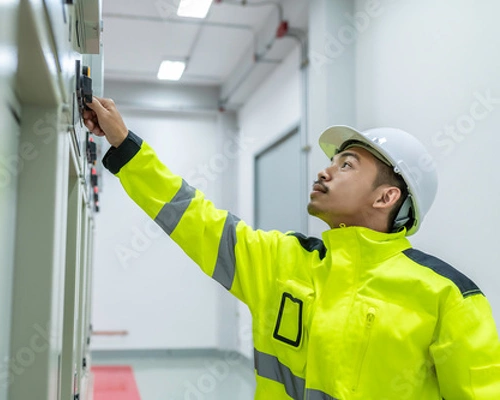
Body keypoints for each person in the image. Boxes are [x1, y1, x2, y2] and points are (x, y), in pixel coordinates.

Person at [83, 97, 500, 399]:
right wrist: (125, 146)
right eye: (333, 161)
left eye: (347, 165)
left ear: (385, 198)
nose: (325, 170)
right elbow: (194, 218)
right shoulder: (280, 260)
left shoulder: (450, 298)